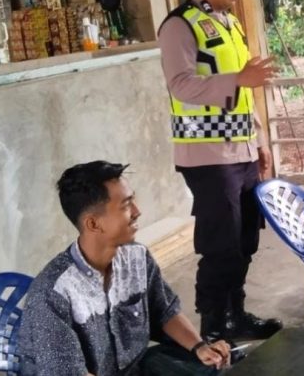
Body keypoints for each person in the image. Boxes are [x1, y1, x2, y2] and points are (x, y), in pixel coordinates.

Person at [157, 0, 282, 342]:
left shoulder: (230, 24)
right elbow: (180, 85)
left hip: (241, 151)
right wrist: (239, 79)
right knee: (220, 244)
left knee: (245, 239)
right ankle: (213, 326)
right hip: (207, 156)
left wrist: (259, 140)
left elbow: (243, 94)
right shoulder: (179, 25)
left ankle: (236, 314)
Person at [17, 161, 230, 376]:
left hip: (134, 368)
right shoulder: (53, 293)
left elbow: (165, 311)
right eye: (126, 205)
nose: (137, 211)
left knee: (211, 367)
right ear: (93, 224)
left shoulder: (137, 257)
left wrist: (199, 347)